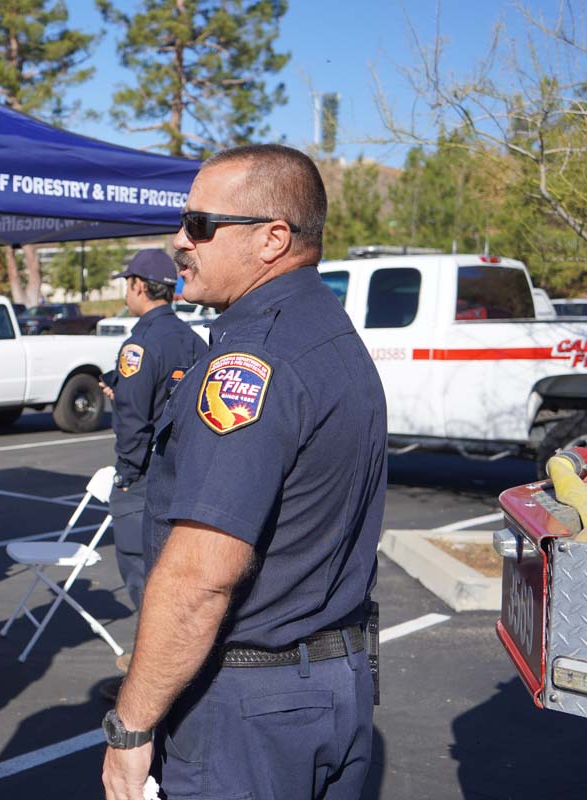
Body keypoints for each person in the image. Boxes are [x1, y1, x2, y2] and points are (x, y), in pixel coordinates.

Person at [101, 144, 385, 800]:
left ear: (272, 239)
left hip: (250, 710)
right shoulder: (328, 333)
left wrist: (130, 729)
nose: (180, 241)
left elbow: (200, 577)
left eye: (200, 224)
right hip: (334, 685)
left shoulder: (251, 363)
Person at [97, 249, 205, 702]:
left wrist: (126, 474)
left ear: (139, 285)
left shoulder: (139, 344)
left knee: (145, 581)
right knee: (177, 581)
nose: (127, 292)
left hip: (145, 480)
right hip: (186, 475)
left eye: (128, 284)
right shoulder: (194, 339)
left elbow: (133, 422)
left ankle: (155, 689)